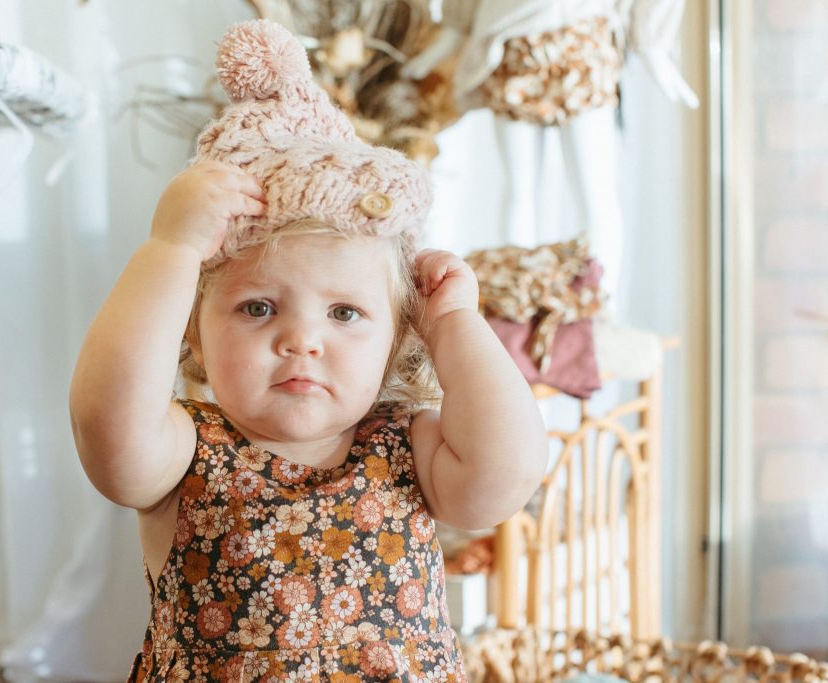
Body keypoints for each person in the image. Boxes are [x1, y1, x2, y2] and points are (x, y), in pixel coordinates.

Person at [69, 19, 548, 682]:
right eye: (258, 307)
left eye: (345, 312)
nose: (301, 338)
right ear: (194, 335)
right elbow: (105, 422)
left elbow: (509, 472)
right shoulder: (180, 452)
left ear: (399, 337)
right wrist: (171, 251)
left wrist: (456, 323)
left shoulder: (412, 449)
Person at [401, 0, 697, 315]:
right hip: (516, 41)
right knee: (520, 188)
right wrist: (453, 30)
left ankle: (601, 306)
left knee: (595, 193)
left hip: (582, 39)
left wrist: (652, 41)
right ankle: (518, 303)